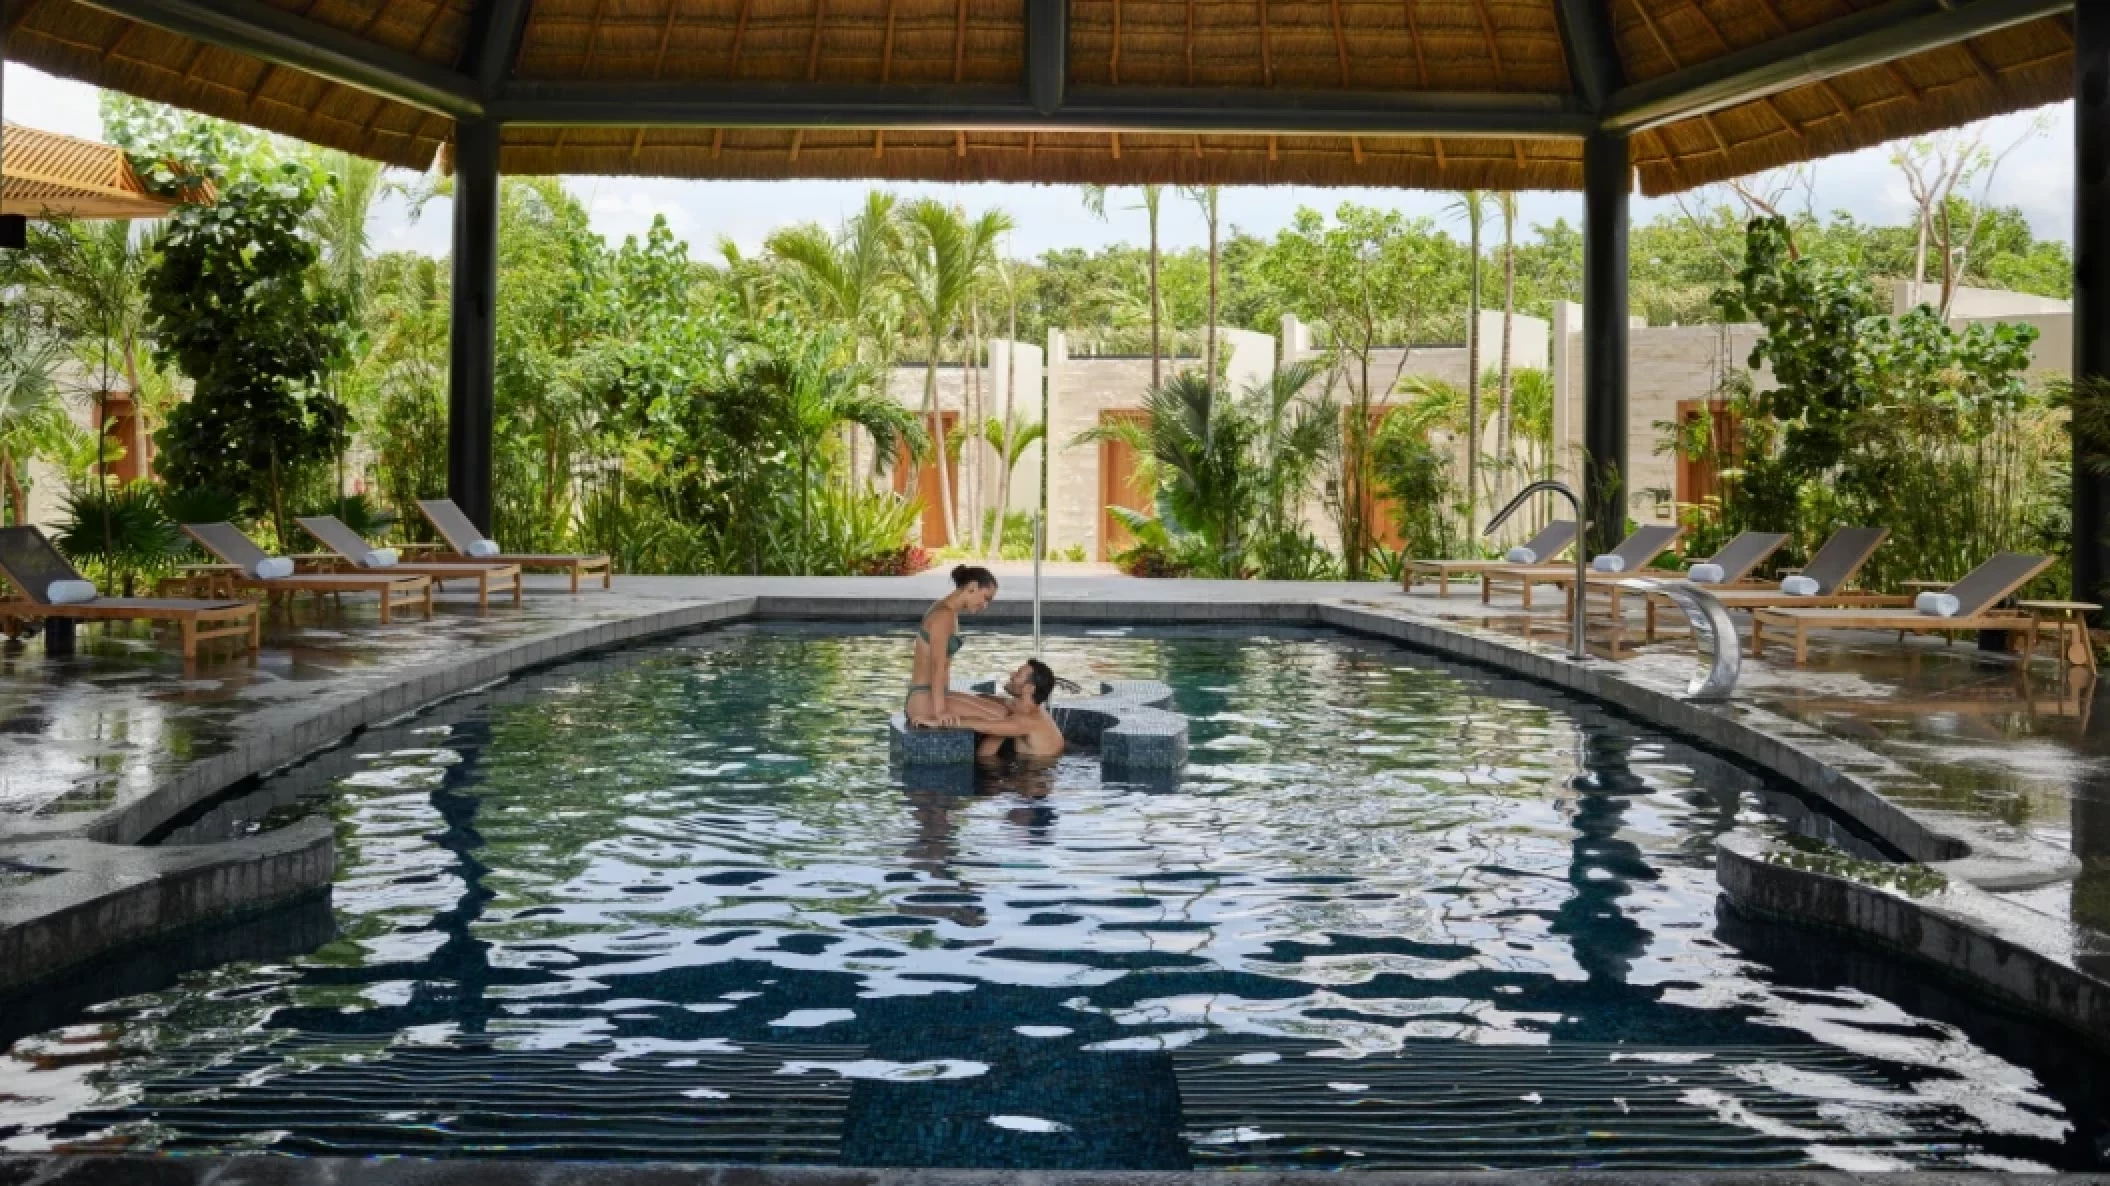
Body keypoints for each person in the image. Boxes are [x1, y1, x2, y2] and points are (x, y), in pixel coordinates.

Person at [906, 565, 1008, 728]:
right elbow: (936, 666)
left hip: (933, 694)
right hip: (924, 698)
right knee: (1000, 719)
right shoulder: (943, 616)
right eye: (986, 598)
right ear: (972, 587)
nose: (985, 605)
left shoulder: (948, 610)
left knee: (1001, 711)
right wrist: (940, 713)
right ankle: (986, 754)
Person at [971, 659, 1066, 761]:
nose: (1012, 674)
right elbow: (989, 698)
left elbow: (983, 755)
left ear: (1029, 689)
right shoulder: (1028, 708)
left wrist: (955, 721)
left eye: (1018, 674)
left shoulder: (1027, 720)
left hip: (1033, 773)